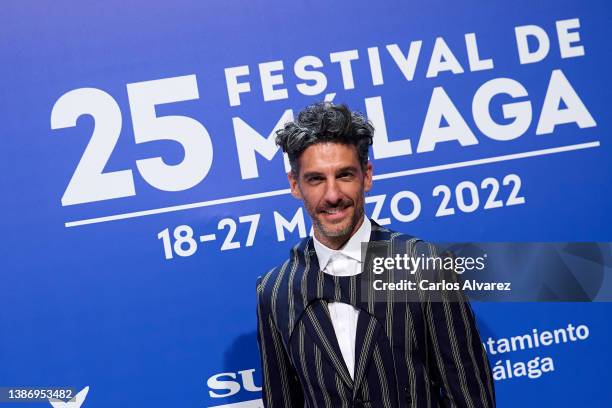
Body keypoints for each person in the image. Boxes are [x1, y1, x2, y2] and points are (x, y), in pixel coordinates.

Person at [255, 102, 495, 408]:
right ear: (295, 184)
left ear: (366, 176)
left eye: (344, 175)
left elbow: (469, 396)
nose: (332, 195)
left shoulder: (425, 266)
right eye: (316, 179)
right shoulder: (275, 291)